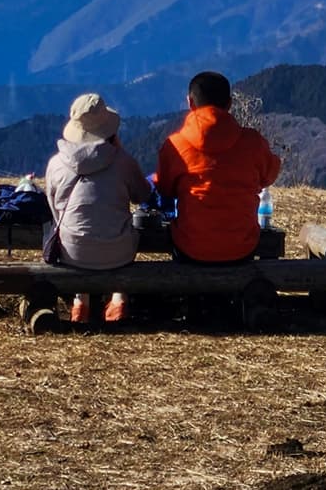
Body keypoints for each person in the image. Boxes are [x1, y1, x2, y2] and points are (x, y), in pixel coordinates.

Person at [44, 92, 149, 322]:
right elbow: (143, 196)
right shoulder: (123, 161)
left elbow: (54, 209)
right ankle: (119, 299)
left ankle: (81, 301)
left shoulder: (55, 164)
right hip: (119, 252)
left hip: (72, 253)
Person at [157, 71, 282, 265]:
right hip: (242, 247)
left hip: (190, 247)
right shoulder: (253, 142)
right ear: (230, 104)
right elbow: (270, 174)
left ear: (190, 103)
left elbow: (164, 187)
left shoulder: (175, 145)